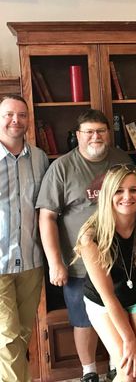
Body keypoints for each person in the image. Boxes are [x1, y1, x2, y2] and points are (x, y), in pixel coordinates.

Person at [36, 109, 132, 382]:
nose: (95, 137)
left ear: (108, 134)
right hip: (79, 265)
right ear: (77, 136)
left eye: (100, 131)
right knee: (83, 320)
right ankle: (89, 371)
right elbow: (47, 217)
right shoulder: (62, 167)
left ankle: (116, 363)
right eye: (88, 132)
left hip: (119, 260)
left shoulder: (122, 160)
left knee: (119, 312)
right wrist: (55, 262)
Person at [74, 163, 136, 382]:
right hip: (104, 302)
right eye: (119, 190)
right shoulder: (90, 236)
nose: (127, 196)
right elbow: (108, 296)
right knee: (128, 370)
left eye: (133, 190)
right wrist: (129, 340)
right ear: (108, 194)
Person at [0, 94, 48, 381]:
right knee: (7, 337)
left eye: (22, 115)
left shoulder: (40, 158)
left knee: (21, 335)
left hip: (31, 260)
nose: (15, 120)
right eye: (8, 114)